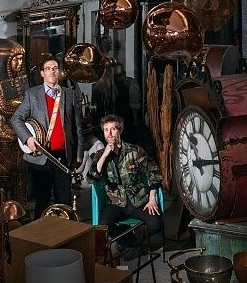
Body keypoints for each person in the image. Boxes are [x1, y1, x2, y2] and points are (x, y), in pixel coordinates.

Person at [11, 53, 84, 219]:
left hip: (63, 157)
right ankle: (41, 234)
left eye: (55, 68)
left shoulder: (69, 94)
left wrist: (79, 154)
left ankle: (64, 232)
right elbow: (16, 119)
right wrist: (28, 138)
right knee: (42, 202)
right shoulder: (32, 94)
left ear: (59, 72)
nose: (52, 71)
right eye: (48, 68)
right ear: (42, 73)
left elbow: (77, 126)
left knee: (64, 203)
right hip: (41, 159)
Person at [87, 114, 162, 253]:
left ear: (120, 130)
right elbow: (91, 178)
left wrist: (152, 198)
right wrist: (105, 155)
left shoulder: (135, 151)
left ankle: (128, 242)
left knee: (156, 224)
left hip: (137, 200)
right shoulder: (100, 155)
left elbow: (154, 173)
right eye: (106, 130)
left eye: (113, 129)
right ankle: (130, 242)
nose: (109, 133)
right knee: (103, 225)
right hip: (115, 202)